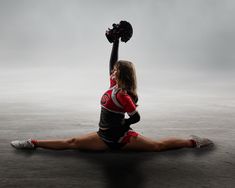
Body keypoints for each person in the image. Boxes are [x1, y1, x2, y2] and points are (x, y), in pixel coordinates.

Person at [10, 21, 213, 151]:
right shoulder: (113, 86)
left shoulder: (123, 95)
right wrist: (115, 43)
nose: (111, 72)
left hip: (121, 139)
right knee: (71, 142)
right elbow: (111, 63)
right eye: (113, 71)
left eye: (115, 71)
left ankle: (193, 141)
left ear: (122, 74)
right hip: (103, 137)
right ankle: (32, 143)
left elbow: (136, 117)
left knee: (158, 146)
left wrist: (122, 128)